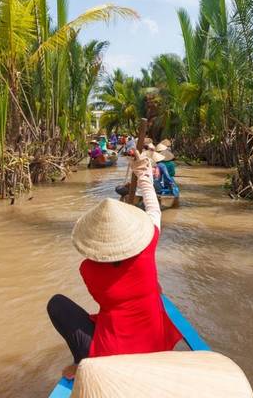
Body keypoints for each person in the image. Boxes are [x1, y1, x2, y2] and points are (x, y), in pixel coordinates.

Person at [47, 156, 182, 380]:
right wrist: (143, 176)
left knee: (57, 304)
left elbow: (108, 292)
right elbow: (154, 211)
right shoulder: (147, 248)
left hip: (111, 352)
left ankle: (81, 360)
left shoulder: (87, 270)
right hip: (154, 341)